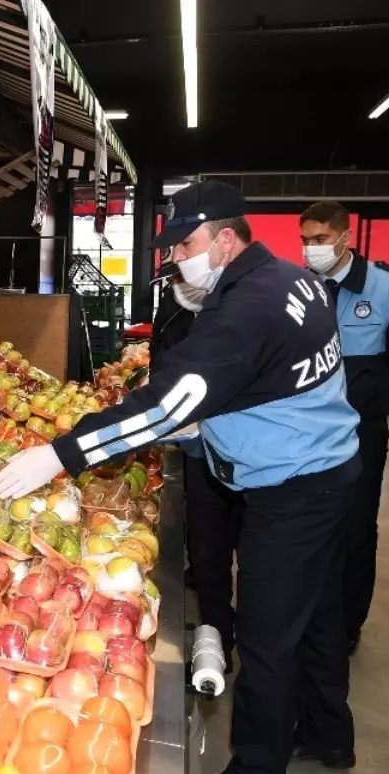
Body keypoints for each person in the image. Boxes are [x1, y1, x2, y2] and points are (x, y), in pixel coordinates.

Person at [0, 181, 360, 774]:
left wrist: (61, 454)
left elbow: (166, 407)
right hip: (329, 468)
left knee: (268, 640)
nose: (175, 259)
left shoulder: (245, 308)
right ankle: (328, 730)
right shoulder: (286, 280)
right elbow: (266, 381)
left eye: (185, 244)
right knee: (318, 618)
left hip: (293, 490)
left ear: (224, 239)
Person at [299, 201, 389, 654]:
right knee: (308, 526)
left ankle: (347, 622)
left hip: (361, 433)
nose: (311, 249)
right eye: (305, 240)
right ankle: (308, 611)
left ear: (344, 237)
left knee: (357, 527)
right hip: (305, 432)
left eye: (319, 240)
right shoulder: (300, 289)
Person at [152, 265, 244, 671]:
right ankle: (217, 635)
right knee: (207, 548)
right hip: (196, 449)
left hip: (246, 453)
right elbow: (162, 369)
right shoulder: (169, 310)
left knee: (252, 552)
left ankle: (249, 637)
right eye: (173, 282)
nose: (179, 288)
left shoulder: (236, 312)